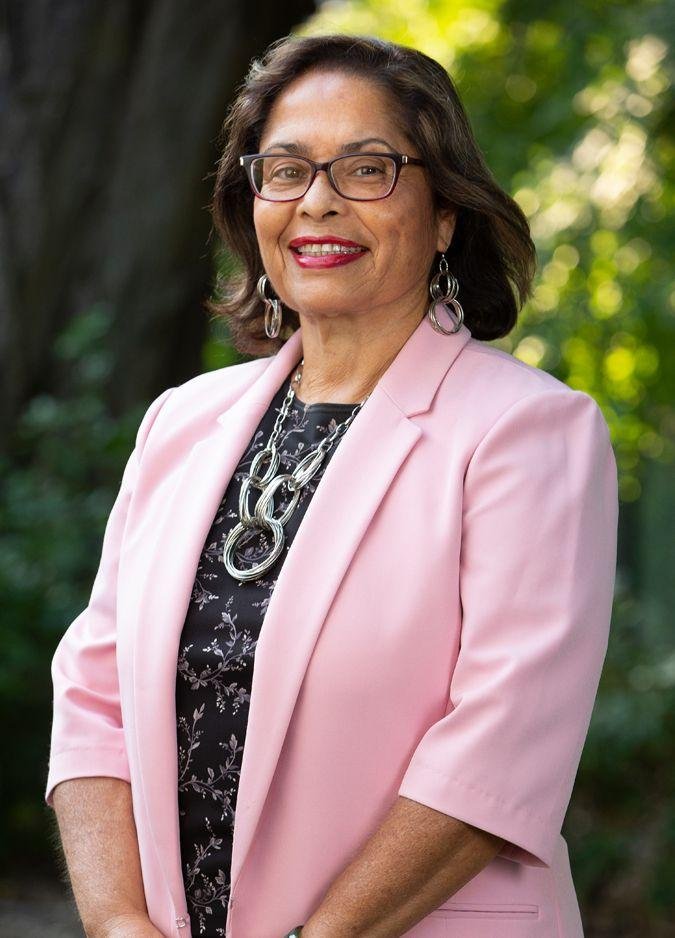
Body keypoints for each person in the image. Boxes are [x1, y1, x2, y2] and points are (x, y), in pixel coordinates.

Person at [45, 32, 619, 938]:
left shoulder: (525, 431)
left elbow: (501, 746)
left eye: (367, 169)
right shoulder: (180, 424)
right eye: (285, 169)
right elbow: (92, 692)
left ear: (444, 215)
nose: (318, 201)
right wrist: (117, 919)